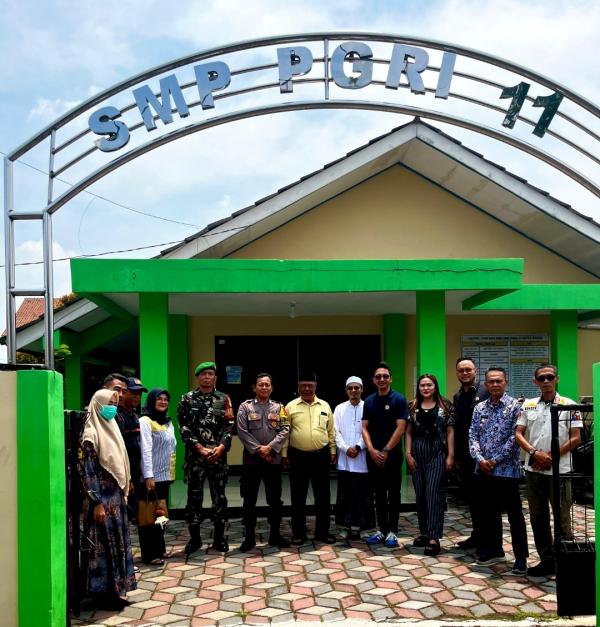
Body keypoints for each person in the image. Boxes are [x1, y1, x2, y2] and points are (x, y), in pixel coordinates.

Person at [515, 364, 582, 577]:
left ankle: (565, 562)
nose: (546, 381)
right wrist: (535, 454)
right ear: (535, 382)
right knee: (538, 517)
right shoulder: (529, 405)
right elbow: (519, 434)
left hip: (559, 470)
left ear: (557, 379)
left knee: (562, 517)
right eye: (541, 378)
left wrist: (550, 457)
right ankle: (546, 561)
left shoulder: (569, 405)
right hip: (534, 471)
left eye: (549, 377)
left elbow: (576, 437)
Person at [79, 389, 136, 610]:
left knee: (117, 545)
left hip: (116, 499)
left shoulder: (111, 428)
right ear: (97, 405)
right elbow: (88, 472)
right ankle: (102, 594)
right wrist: (97, 503)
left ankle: (116, 591)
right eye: (108, 403)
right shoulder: (90, 434)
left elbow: (120, 461)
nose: (113, 406)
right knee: (103, 548)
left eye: (115, 402)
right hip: (102, 502)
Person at [469, 367, 528, 575]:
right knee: (488, 513)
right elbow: (473, 436)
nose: (495, 384)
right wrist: (481, 459)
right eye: (491, 381)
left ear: (506, 383)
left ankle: (521, 558)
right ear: (486, 384)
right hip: (483, 469)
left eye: (499, 381)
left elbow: (515, 438)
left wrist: (494, 460)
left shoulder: (516, 407)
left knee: (514, 516)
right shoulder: (479, 408)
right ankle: (494, 551)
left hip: (507, 470)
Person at [178, 361, 233, 554]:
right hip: (195, 459)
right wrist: (199, 448)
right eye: (203, 374)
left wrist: (221, 447)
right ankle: (195, 539)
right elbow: (183, 427)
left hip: (218, 458)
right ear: (197, 377)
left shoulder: (224, 398)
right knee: (194, 499)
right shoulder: (187, 399)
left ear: (215, 378)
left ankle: (219, 539)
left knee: (220, 499)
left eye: (211, 374)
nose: (207, 377)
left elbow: (229, 426)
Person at [236, 373, 290, 551]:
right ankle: (249, 538)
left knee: (275, 500)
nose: (264, 388)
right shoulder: (245, 407)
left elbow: (285, 429)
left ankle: (275, 535)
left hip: (272, 461)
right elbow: (242, 431)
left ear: (272, 387)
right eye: (261, 385)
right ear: (254, 387)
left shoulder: (279, 407)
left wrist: (271, 448)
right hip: (252, 461)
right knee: (249, 500)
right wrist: (260, 450)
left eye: (267, 385)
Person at [282, 370, 336, 545]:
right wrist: (284, 454)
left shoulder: (325, 406)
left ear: (315, 386)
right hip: (298, 457)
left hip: (321, 456)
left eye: (310, 385)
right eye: (303, 385)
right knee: (298, 496)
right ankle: (298, 532)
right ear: (298, 387)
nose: (306, 388)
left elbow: (331, 431)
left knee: (323, 496)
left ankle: (322, 532)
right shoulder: (289, 407)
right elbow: (285, 433)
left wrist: (333, 450)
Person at [406, 374, 455, 556]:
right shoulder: (412, 406)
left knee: (434, 494)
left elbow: (450, 431)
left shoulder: (445, 405)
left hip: (437, 451)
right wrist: (408, 454)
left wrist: (450, 455)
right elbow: (408, 432)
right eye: (422, 386)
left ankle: (434, 537)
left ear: (435, 386)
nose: (425, 388)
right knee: (420, 495)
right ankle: (424, 532)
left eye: (429, 385)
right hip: (418, 451)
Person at [362, 361, 408, 548]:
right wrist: (372, 450)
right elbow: (364, 427)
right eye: (378, 376)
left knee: (394, 494)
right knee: (378, 494)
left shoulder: (398, 399)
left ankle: (393, 532)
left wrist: (386, 450)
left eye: (385, 376)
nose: (382, 379)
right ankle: (382, 529)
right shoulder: (370, 401)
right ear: (373, 380)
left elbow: (401, 428)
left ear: (391, 378)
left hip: (392, 455)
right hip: (374, 456)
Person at [138, 388, 178, 565]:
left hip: (164, 477)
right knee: (148, 517)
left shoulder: (169, 423)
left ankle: (160, 550)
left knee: (160, 514)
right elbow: (145, 450)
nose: (163, 402)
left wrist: (171, 473)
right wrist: (148, 476)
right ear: (152, 401)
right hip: (150, 477)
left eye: (166, 399)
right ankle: (149, 554)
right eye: (159, 399)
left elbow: (172, 449)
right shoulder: (145, 421)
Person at [453, 357, 488, 551]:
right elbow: (458, 427)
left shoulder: (485, 392)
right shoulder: (458, 397)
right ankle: (477, 535)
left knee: (486, 501)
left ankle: (487, 540)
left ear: (475, 371)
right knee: (473, 500)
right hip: (465, 458)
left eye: (468, 369)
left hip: (483, 457)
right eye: (461, 370)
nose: (465, 373)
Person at [333, 376, 374, 540]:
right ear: (346, 390)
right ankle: (345, 527)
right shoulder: (339, 409)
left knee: (363, 496)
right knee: (345, 496)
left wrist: (358, 446)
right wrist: (344, 448)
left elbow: (370, 431)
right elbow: (335, 432)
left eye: (357, 388)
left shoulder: (368, 407)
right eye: (350, 388)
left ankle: (363, 527)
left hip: (362, 459)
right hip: (344, 461)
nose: (354, 391)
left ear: (362, 389)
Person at [116, 377, 147, 522]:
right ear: (124, 393)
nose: (137, 397)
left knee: (131, 514)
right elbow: (118, 449)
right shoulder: (117, 416)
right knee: (122, 514)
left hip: (135, 472)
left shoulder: (134, 415)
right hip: (123, 474)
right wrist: (127, 477)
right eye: (133, 393)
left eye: (139, 394)